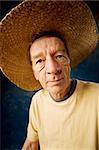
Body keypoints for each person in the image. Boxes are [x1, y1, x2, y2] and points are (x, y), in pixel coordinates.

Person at [0, 1, 99, 150]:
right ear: (34, 72)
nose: (52, 69)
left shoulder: (97, 97)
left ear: (69, 61)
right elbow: (32, 143)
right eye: (40, 61)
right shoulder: (37, 102)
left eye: (59, 56)